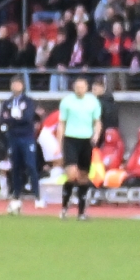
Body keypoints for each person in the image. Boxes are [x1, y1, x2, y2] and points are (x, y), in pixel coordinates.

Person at [57, 74, 102, 219]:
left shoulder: (93, 102)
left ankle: (81, 212)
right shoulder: (67, 101)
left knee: (83, 176)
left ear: (86, 88)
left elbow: (97, 121)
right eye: (77, 87)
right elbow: (62, 123)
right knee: (71, 174)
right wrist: (59, 143)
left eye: (82, 87)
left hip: (86, 140)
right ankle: (64, 207)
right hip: (70, 139)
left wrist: (96, 135)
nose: (79, 89)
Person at [0, 75, 38, 215]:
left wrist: (12, 119)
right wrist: (15, 118)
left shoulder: (28, 101)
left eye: (18, 84)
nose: (15, 86)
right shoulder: (7, 102)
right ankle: (16, 194)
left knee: (31, 165)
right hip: (13, 137)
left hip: (27, 137)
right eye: (13, 84)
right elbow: (2, 119)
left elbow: (27, 118)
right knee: (15, 167)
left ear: (23, 86)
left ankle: (37, 195)